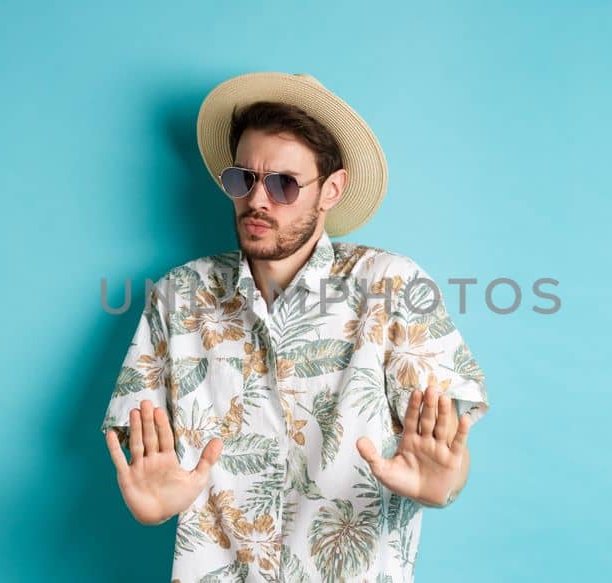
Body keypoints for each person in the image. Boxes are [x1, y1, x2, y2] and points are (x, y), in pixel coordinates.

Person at [101, 72, 489, 582]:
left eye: (283, 184)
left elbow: (446, 452)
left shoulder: (394, 287)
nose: (257, 201)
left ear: (332, 189)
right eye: (243, 179)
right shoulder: (179, 296)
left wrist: (445, 485)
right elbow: (146, 452)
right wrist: (155, 503)